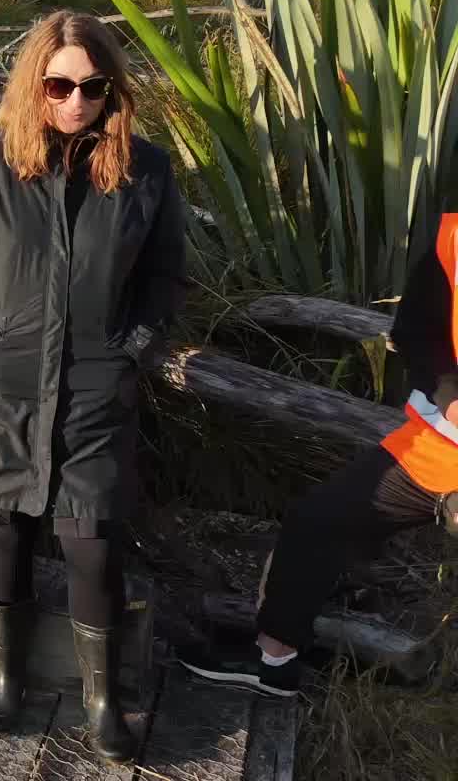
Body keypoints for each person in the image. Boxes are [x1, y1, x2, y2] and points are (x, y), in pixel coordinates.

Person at [0, 11, 186, 764]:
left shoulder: (145, 170)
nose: (76, 101)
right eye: (59, 85)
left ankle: (102, 697)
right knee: (2, 528)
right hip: (1, 386)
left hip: (95, 388)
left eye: (92, 87)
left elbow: (166, 275)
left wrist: (130, 349)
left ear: (112, 90)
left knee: (91, 540)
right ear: (33, 85)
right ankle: (9, 676)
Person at [180, 210, 458, 698]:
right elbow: (416, 329)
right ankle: (275, 660)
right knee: (317, 521)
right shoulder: (452, 236)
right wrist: (449, 393)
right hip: (432, 452)